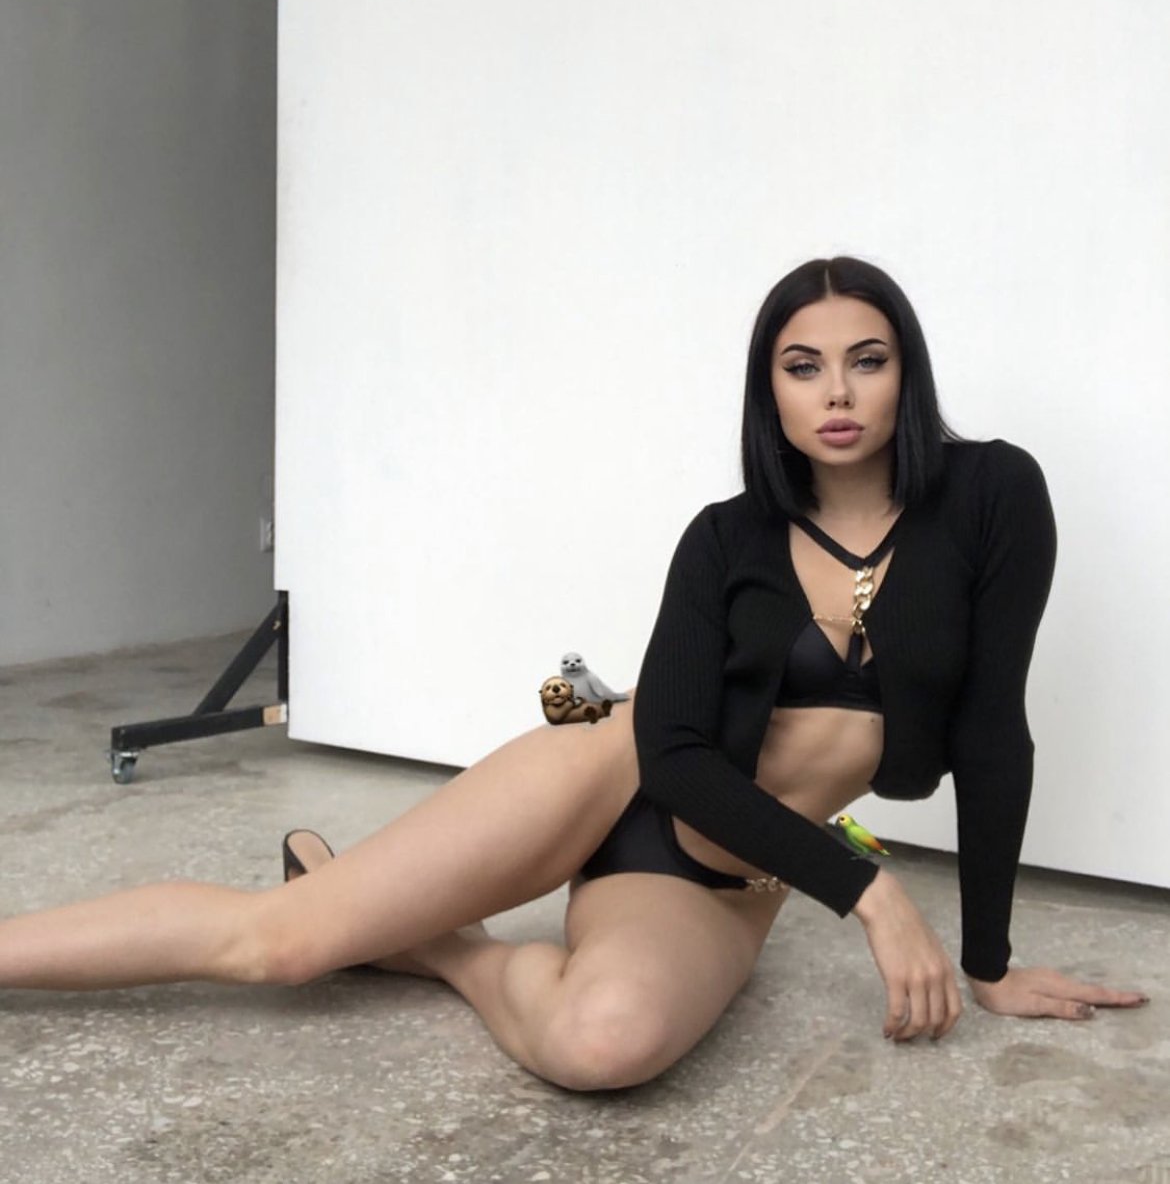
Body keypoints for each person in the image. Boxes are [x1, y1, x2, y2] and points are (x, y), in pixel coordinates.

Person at [0, 256, 1148, 1090]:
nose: (837, 394)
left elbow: (992, 731)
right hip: (612, 772)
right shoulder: (726, 539)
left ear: (907, 372)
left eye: (867, 362)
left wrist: (989, 962)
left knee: (602, 1048)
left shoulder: (992, 496)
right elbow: (677, 757)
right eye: (804, 368)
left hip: (727, 869)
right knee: (284, 945)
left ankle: (446, 950)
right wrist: (869, 890)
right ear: (772, 391)